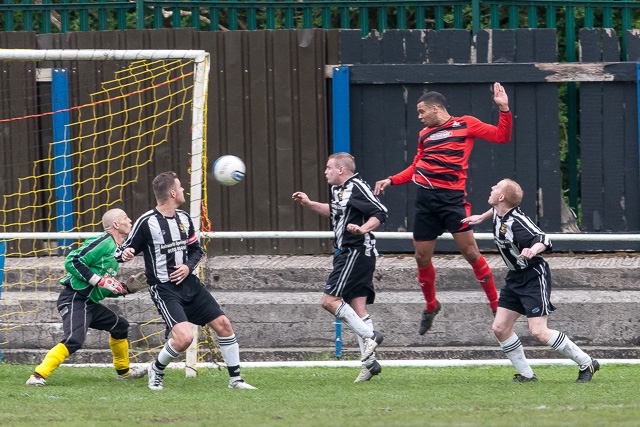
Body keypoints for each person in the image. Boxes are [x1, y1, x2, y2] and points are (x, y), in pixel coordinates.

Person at [373, 82, 512, 335]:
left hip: (452, 201)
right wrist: (391, 179)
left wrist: (503, 109)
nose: (419, 117)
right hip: (426, 202)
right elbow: (417, 165)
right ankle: (431, 305)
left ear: (436, 109)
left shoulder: (465, 124)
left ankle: (496, 304)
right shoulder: (424, 134)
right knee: (421, 257)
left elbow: (502, 136)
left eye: (422, 111)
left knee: (470, 253)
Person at [115, 171, 256, 391]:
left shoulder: (183, 218)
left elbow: (196, 250)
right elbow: (122, 251)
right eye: (180, 187)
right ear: (172, 193)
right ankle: (157, 369)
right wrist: (125, 254)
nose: (183, 191)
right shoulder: (146, 222)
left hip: (189, 284)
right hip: (164, 288)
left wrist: (187, 266)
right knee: (184, 339)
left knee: (224, 325)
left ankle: (236, 380)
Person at [462, 179, 599, 383]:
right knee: (500, 328)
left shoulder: (517, 222)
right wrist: (481, 217)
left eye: (496, 187)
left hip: (534, 276)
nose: (491, 187)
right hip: (515, 277)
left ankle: (587, 362)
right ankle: (527, 376)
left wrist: (532, 249)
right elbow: (498, 212)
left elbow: (544, 239)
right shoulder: (500, 211)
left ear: (501, 197)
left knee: (538, 332)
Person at [292, 152, 387, 383]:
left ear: (341, 170)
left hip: (356, 251)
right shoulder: (338, 190)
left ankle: (370, 336)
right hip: (350, 252)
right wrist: (310, 203)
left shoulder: (357, 186)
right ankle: (369, 364)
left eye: (328, 168)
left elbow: (380, 212)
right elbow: (335, 212)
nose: (325, 171)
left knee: (329, 300)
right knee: (358, 309)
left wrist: (363, 229)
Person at [26, 208, 146, 386]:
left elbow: (104, 286)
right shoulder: (103, 241)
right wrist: (98, 280)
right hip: (75, 298)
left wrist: (127, 289)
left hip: (89, 302)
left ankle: (124, 372)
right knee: (74, 339)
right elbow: (72, 260)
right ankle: (37, 376)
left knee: (120, 326)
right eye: (126, 217)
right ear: (115, 225)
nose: (130, 221)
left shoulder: (116, 250)